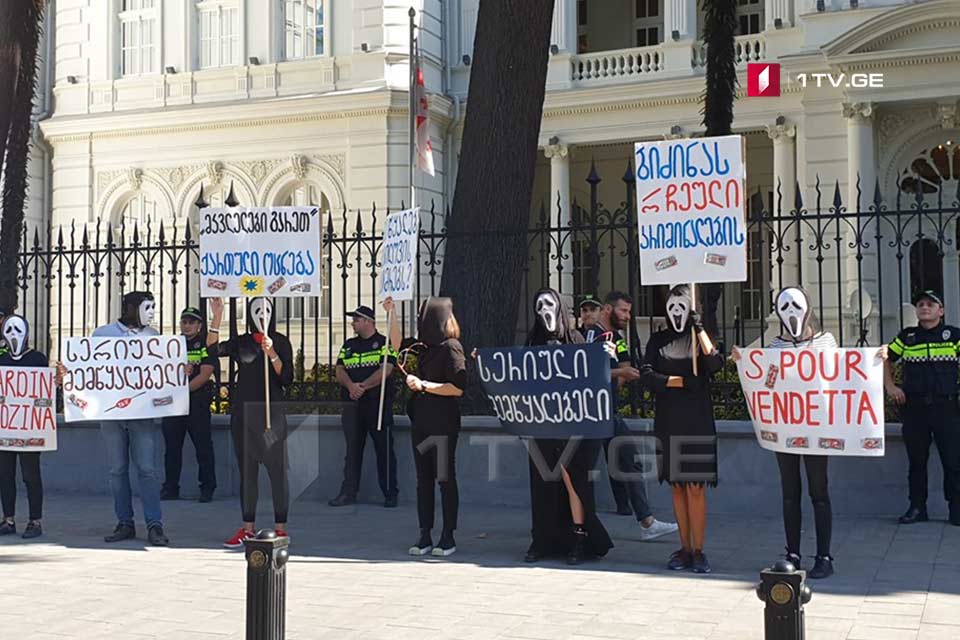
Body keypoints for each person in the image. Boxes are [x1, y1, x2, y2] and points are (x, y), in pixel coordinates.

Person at [734, 285, 835, 579]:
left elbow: (839, 376)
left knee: (819, 491)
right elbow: (768, 382)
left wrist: (875, 358)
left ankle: (824, 555)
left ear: (808, 309)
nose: (791, 313)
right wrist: (745, 362)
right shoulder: (775, 346)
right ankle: (792, 551)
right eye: (785, 307)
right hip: (786, 429)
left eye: (796, 306)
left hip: (818, 429)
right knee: (790, 492)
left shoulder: (826, 341)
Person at [523, 287, 613, 565]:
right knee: (542, 483)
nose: (544, 312)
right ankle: (543, 539)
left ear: (559, 308)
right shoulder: (532, 343)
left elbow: (591, 377)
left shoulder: (575, 340)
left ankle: (579, 537)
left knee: (573, 482)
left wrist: (604, 357)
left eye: (549, 305)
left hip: (573, 426)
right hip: (542, 426)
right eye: (539, 307)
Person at [640, 285, 722, 574]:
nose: (676, 312)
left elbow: (715, 363)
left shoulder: (699, 338)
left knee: (696, 487)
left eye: (682, 306)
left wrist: (700, 329)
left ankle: (699, 550)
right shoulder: (659, 339)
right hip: (669, 419)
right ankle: (684, 548)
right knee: (677, 486)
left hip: (697, 420)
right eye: (672, 306)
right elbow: (647, 375)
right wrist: (679, 381)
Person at [587, 291, 678, 539]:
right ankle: (581, 523)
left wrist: (620, 374)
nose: (627, 316)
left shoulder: (617, 338)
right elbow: (588, 371)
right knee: (591, 467)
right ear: (608, 310)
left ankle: (646, 521)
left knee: (629, 460)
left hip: (610, 410)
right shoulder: (592, 335)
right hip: (594, 412)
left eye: (628, 311)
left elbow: (625, 363)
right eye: (623, 311)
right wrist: (618, 375)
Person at [208, 297, 295, 549]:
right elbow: (212, 351)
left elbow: (287, 377)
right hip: (243, 416)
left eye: (267, 309)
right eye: (257, 309)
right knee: (248, 473)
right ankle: (248, 528)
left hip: (271, 416)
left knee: (277, 473)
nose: (262, 314)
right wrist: (217, 316)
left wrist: (273, 354)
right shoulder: (242, 342)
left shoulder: (280, 341)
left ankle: (281, 529)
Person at [383, 296, 466, 557]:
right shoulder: (424, 347)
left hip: (443, 422)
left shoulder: (450, 347)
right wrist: (391, 312)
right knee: (423, 480)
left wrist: (424, 385)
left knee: (443, 477)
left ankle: (448, 535)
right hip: (421, 420)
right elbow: (397, 345)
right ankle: (424, 534)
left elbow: (459, 387)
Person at [90, 291, 169, 546]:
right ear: (131, 308)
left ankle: (154, 524)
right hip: (111, 414)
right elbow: (89, 369)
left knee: (147, 469)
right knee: (117, 470)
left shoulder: (153, 336)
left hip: (142, 415)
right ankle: (124, 522)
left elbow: (162, 373)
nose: (152, 312)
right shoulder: (101, 335)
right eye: (148, 307)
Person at [883, 289, 960, 526]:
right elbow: (885, 357)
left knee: (953, 461)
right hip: (915, 408)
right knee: (917, 461)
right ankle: (917, 507)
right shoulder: (908, 337)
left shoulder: (954, 335)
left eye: (930, 304)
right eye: (921, 304)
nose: (924, 307)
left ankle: (956, 510)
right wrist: (890, 386)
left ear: (941, 311)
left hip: (946, 407)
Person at [329, 305, 399, 508]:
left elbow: (386, 369)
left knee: (384, 450)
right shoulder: (349, 344)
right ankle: (348, 492)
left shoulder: (383, 343)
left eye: (356, 319)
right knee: (352, 451)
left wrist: (364, 387)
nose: (353, 323)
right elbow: (340, 369)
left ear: (368, 321)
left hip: (377, 406)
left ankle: (390, 493)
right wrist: (351, 386)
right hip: (353, 406)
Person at [161, 307, 218, 502]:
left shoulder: (204, 344)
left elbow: (205, 374)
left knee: (203, 447)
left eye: (192, 322)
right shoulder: (171, 344)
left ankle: (207, 488)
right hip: (173, 405)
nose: (187, 325)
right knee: (171, 449)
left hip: (197, 403)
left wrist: (181, 391)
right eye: (184, 322)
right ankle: (170, 488)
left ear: (199, 325)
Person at [0, 314, 48, 539]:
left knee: (31, 475)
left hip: (30, 428)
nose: (13, 336)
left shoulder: (38, 359)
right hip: (5, 428)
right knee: (5, 474)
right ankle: (8, 519)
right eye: (8, 330)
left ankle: (34, 521)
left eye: (18, 330)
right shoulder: (2, 360)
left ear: (27, 333)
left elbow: (44, 393)